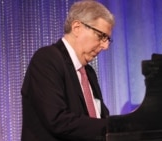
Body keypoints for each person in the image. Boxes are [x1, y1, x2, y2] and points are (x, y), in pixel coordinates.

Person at [21, 0, 115, 141]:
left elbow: (99, 118)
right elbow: (57, 120)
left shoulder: (89, 72)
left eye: (107, 39)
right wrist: (114, 126)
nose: (105, 46)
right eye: (101, 36)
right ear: (77, 27)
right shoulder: (47, 59)